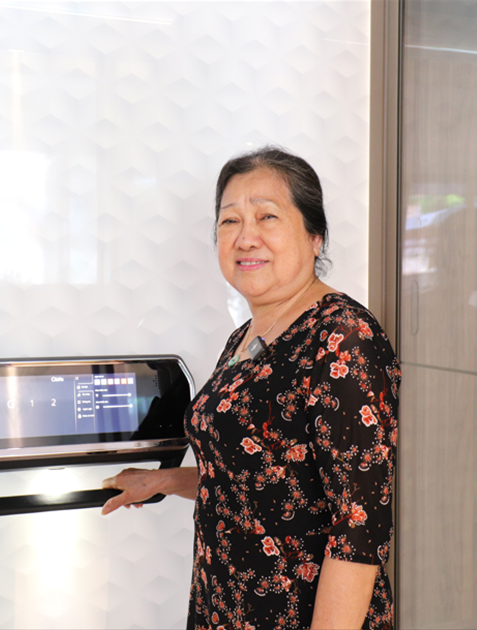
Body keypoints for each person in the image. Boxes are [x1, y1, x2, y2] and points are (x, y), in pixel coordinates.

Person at [102, 146, 399, 630]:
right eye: (229, 221)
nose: (246, 237)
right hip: (225, 605)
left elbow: (359, 530)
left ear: (314, 236)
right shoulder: (246, 337)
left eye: (267, 216)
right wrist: (164, 480)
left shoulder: (343, 337)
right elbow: (262, 478)